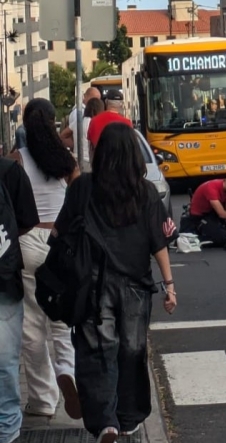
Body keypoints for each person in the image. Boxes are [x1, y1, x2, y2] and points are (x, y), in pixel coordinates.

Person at [52, 123, 177, 443]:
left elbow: (60, 233)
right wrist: (170, 285)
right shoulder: (146, 191)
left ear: (100, 152)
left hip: (92, 289)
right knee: (131, 355)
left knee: (96, 355)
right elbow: (158, 243)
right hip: (135, 290)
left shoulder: (82, 188)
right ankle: (128, 419)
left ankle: (104, 422)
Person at [9, 98, 82, 422]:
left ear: (24, 124)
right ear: (54, 123)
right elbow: (80, 204)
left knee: (32, 326)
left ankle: (41, 399)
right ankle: (68, 370)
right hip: (59, 242)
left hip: (26, 243)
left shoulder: (16, 160)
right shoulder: (67, 161)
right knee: (63, 317)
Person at [0, 156, 39, 443]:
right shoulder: (10, 171)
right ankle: (7, 428)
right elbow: (26, 221)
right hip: (4, 278)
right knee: (5, 360)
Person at [184, 174, 226, 247]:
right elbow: (222, 214)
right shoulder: (212, 188)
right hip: (200, 216)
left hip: (213, 213)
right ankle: (199, 237)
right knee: (221, 239)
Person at [73, 97, 104, 166]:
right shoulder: (93, 122)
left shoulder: (78, 121)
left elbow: (64, 134)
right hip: (88, 160)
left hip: (76, 158)